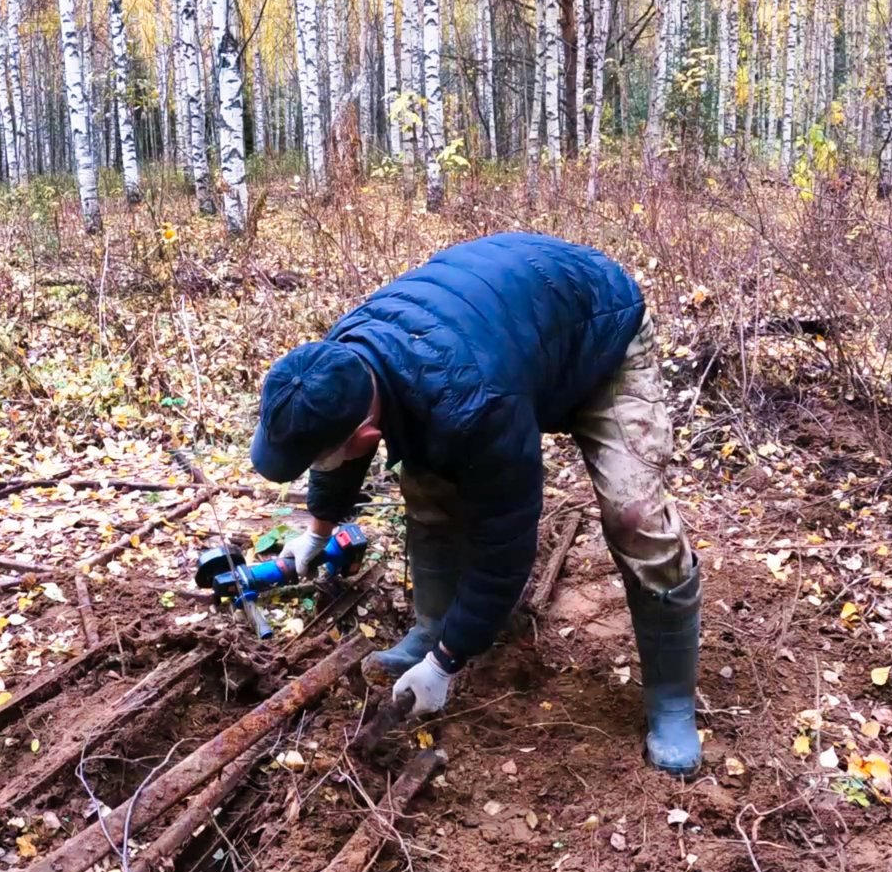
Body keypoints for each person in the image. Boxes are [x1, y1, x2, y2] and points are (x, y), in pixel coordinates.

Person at [249, 232, 702, 776]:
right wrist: (317, 533)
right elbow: (338, 457)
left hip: (600, 333)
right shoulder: (337, 362)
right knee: (430, 483)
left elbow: (504, 550)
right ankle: (434, 624)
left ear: (366, 435)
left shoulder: (473, 403)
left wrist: (444, 667)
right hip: (510, 337)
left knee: (635, 517)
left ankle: (672, 702)